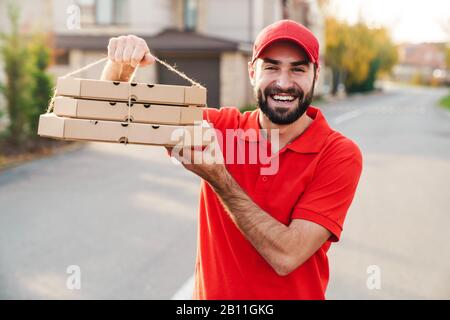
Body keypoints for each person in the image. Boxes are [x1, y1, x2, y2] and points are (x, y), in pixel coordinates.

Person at [101, 20, 363, 300]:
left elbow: (287, 255)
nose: (284, 83)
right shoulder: (220, 128)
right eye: (271, 67)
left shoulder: (338, 154)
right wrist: (121, 67)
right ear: (252, 72)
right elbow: (112, 118)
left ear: (315, 75)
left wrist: (219, 178)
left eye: (297, 69)